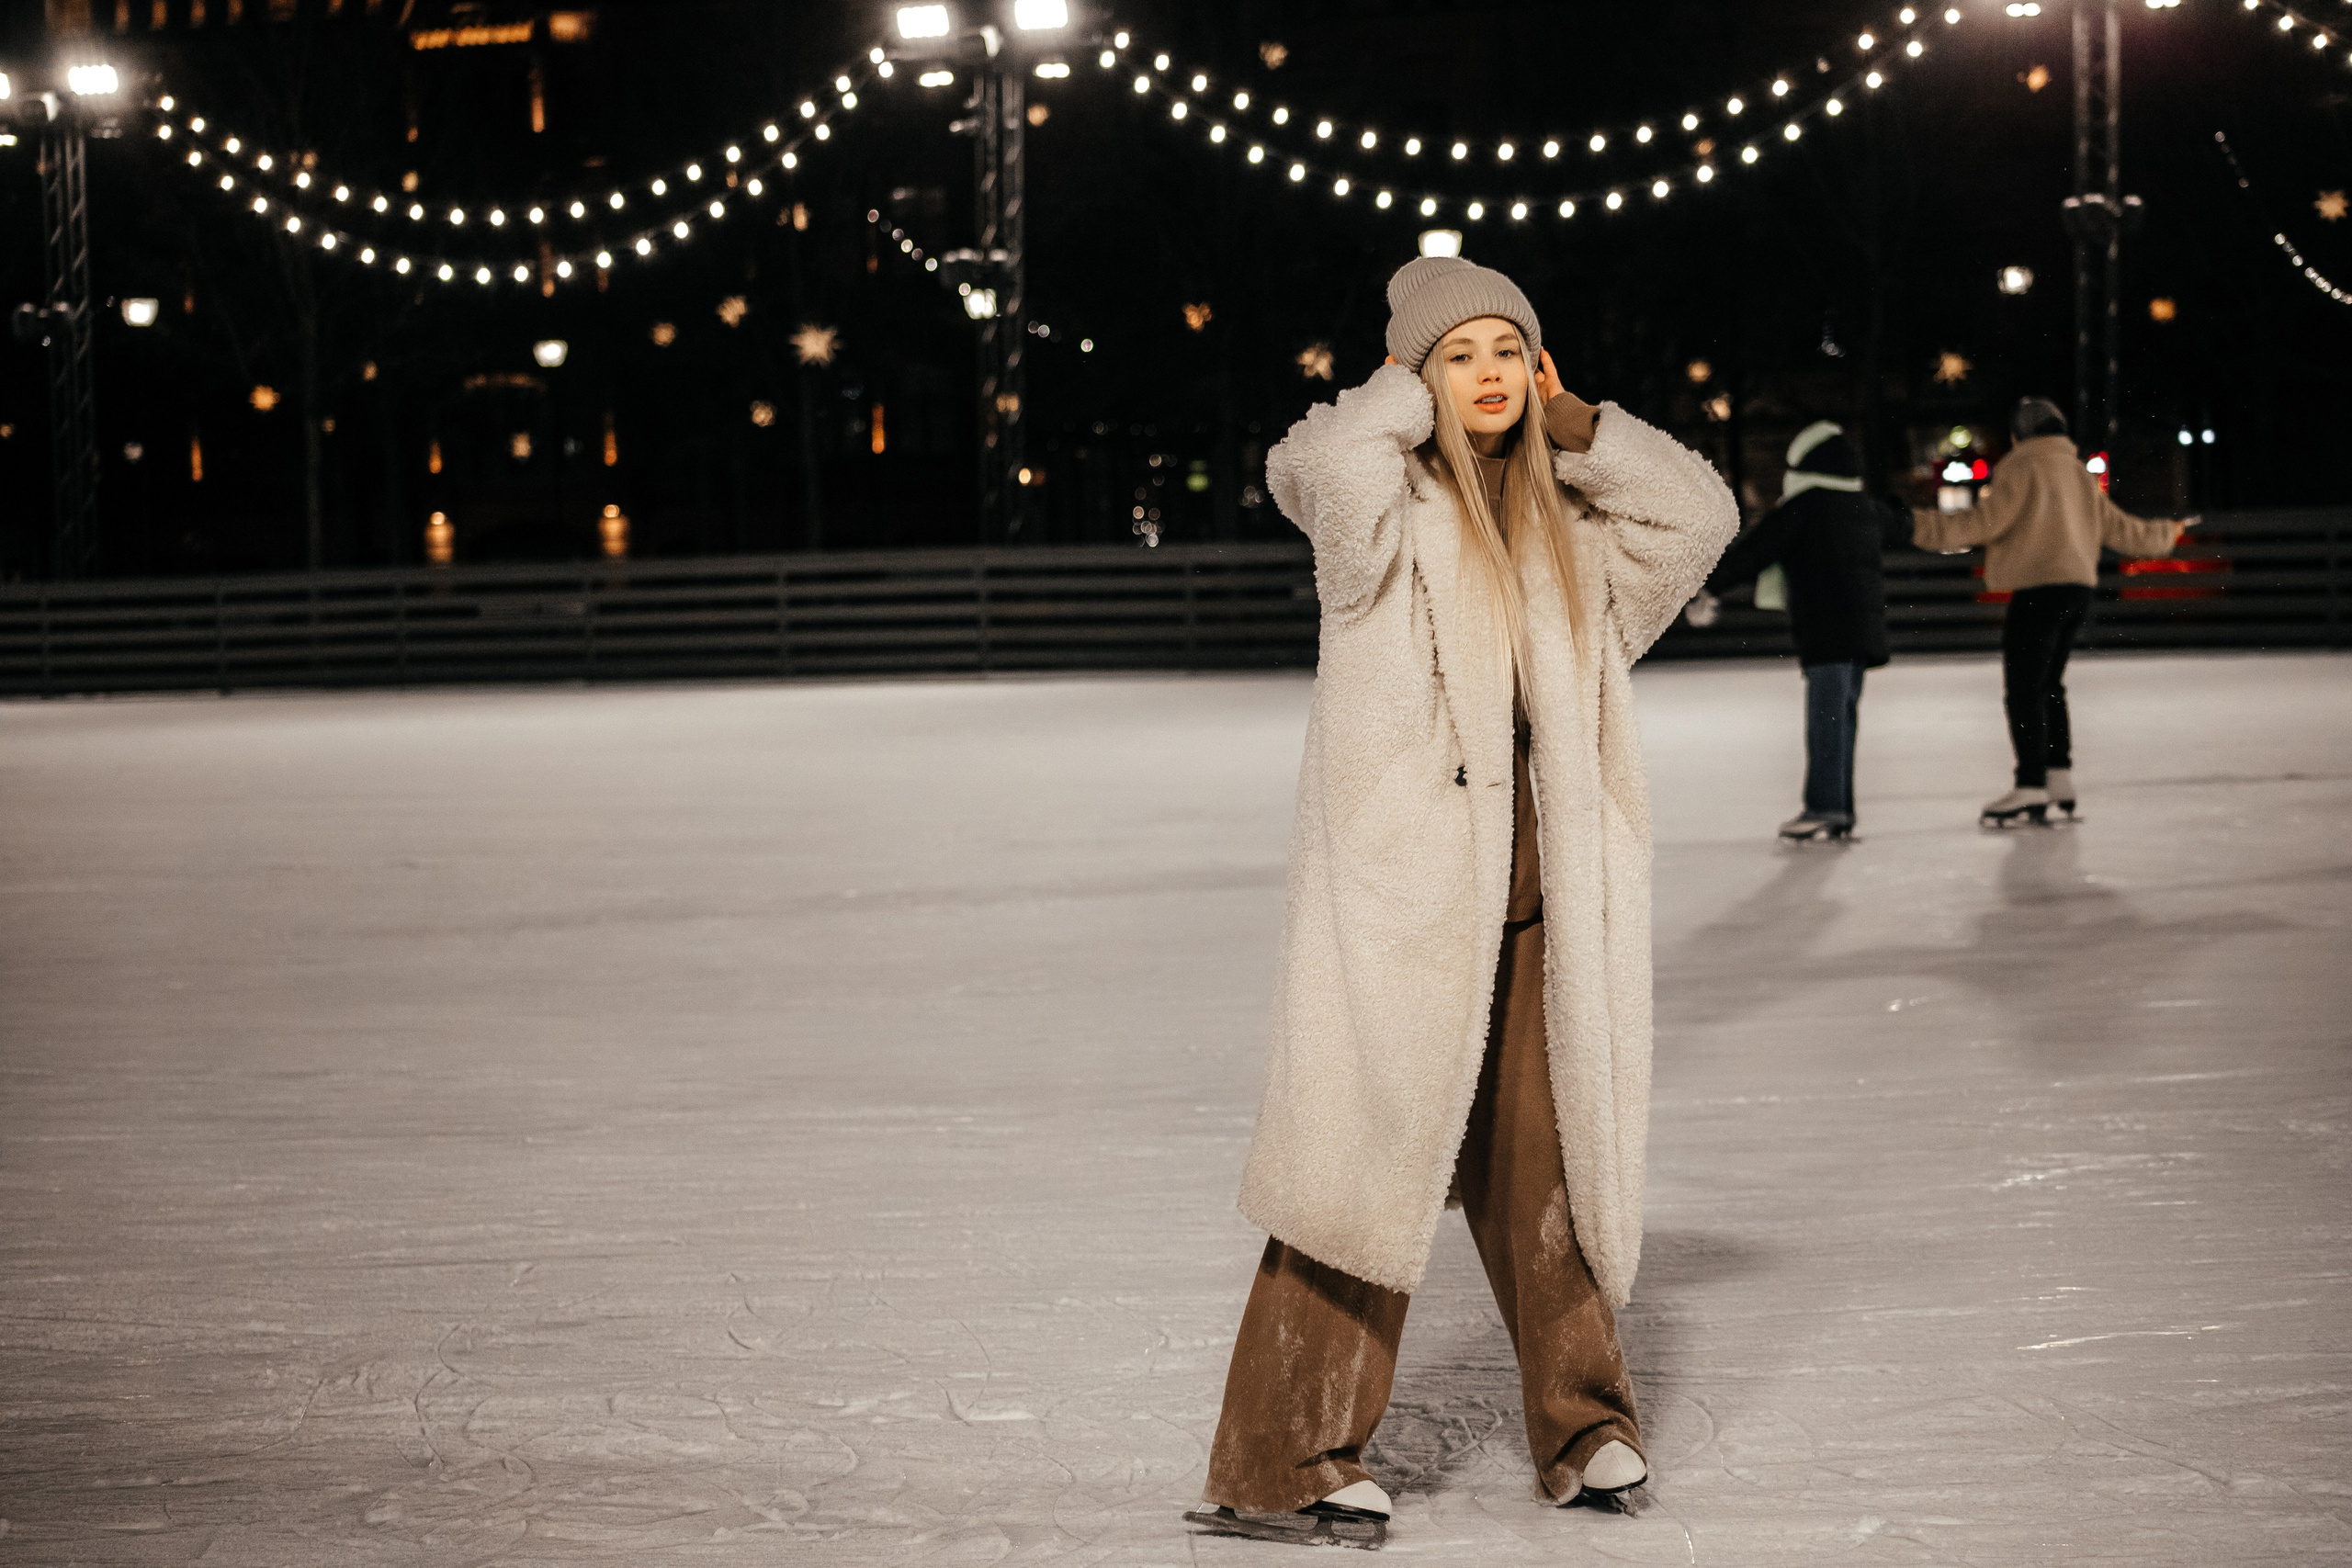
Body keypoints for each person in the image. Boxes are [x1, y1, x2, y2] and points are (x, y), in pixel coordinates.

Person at [1183, 255, 1736, 1549]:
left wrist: (1587, 430)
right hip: (1407, 904)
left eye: (1507, 350)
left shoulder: (1574, 538)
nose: (1487, 374)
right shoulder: (1382, 521)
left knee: (1549, 1175)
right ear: (1416, 376)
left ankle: (1586, 1423)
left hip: (1549, 908)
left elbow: (1697, 518)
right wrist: (1384, 398)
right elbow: (1315, 477)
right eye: (1458, 355)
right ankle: (1279, 1455)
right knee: (1357, 1171)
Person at [1913, 397, 2194, 826]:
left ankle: (2029, 784)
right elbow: (2122, 529)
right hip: (2077, 592)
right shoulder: (2078, 473)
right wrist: (2167, 532)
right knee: (2049, 686)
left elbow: (1980, 524)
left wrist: (1915, 526)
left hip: (2038, 591)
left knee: (2024, 688)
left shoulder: (2021, 467)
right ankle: (2058, 775)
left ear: (2019, 434)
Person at [1690, 420, 1908, 840]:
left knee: (1826, 721)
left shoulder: (1805, 507)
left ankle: (1824, 807)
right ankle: (1839, 808)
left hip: (1828, 630)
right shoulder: (1862, 505)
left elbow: (1756, 550)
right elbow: (1900, 525)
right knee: (1842, 719)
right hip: (1862, 631)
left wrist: (1708, 586)